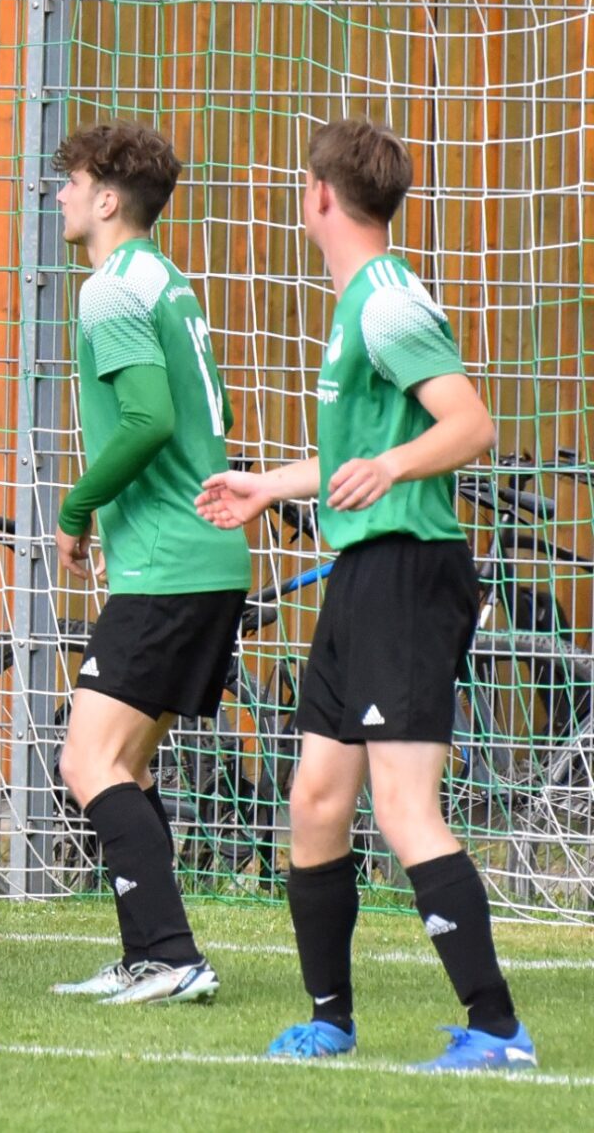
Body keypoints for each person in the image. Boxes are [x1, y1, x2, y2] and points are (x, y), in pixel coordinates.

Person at [197, 118, 532, 1071]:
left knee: (403, 806)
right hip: (363, 574)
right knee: (314, 800)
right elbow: (357, 460)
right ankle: (331, 1021)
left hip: (409, 574)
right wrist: (269, 486)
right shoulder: (357, 305)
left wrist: (390, 467)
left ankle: (498, 1030)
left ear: (320, 196)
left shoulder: (384, 303)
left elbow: (470, 426)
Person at [37, 122, 248, 1007]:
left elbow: (150, 420)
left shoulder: (110, 288)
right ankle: (149, 955)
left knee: (87, 763)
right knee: (127, 766)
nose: (60, 195)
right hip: (205, 558)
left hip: (169, 566)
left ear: (108, 198)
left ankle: (172, 957)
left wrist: (78, 508)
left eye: (71, 181)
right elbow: (214, 409)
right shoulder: (169, 281)